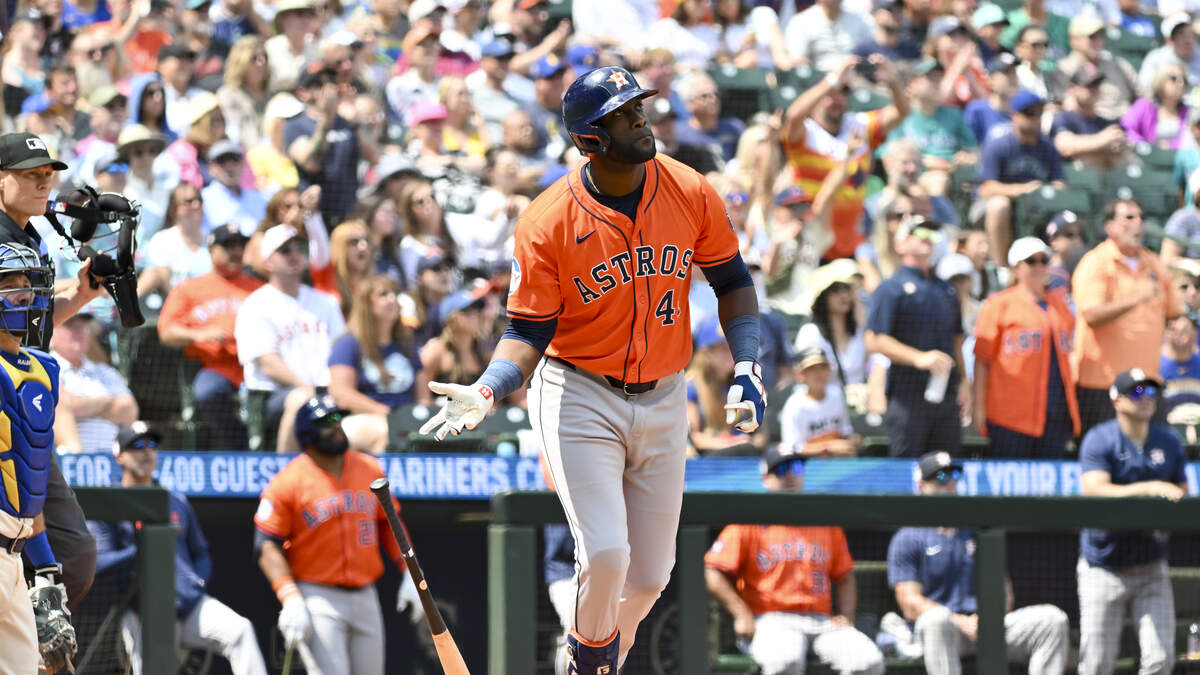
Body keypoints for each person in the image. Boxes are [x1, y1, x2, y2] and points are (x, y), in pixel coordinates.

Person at [417, 66, 764, 674]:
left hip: (664, 394)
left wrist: (749, 363)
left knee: (653, 576)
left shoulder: (688, 188)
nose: (641, 121)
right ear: (589, 141)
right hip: (578, 391)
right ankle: (589, 665)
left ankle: (588, 661)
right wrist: (490, 389)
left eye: (640, 108)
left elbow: (732, 280)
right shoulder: (547, 218)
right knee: (606, 555)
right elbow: (528, 328)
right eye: (624, 115)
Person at [0, 131, 104, 609]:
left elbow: (28, 322)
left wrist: (81, 292)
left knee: (73, 557)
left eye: (48, 175)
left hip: (25, 404)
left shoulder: (29, 235)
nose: (44, 184)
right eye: (30, 175)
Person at [253, 395, 420, 675]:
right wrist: (289, 595)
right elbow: (266, 545)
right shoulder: (288, 481)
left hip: (366, 595)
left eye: (337, 419)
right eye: (325, 422)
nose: (336, 426)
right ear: (307, 433)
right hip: (318, 596)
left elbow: (390, 524)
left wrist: (409, 572)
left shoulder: (369, 468)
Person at [90, 422, 268, 674]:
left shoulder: (175, 499)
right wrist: (140, 551)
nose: (147, 451)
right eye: (137, 445)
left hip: (191, 605)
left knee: (240, 631)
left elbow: (201, 552)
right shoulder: (109, 503)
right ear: (119, 455)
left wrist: (199, 581)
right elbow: (99, 563)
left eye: (152, 445)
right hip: (145, 612)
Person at [705, 445, 883, 675]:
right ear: (766, 478)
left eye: (796, 467)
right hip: (771, 621)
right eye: (781, 469)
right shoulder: (748, 520)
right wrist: (741, 614)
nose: (790, 474)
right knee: (785, 662)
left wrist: (847, 616)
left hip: (822, 622)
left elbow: (845, 575)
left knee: (867, 662)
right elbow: (712, 570)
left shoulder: (824, 522)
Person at [887, 451, 1070, 674]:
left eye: (954, 475)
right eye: (942, 478)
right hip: (945, 632)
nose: (950, 483)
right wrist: (959, 621)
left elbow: (1004, 591)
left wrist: (985, 619)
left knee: (1052, 620)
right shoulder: (908, 536)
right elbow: (909, 602)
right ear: (921, 485)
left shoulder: (976, 531)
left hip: (985, 625)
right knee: (936, 620)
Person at [1077, 369, 1187, 675]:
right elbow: (1093, 488)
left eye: (1150, 392)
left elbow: (1183, 493)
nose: (1146, 399)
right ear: (1116, 399)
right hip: (1104, 565)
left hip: (1151, 564)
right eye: (1136, 392)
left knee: (1161, 658)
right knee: (1097, 663)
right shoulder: (1100, 438)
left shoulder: (1168, 440)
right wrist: (1149, 488)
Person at [0, 242, 76, 673]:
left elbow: (32, 481)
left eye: (27, 285)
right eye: (8, 286)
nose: (23, 295)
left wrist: (45, 569)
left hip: (15, 554)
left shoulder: (44, 368)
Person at [781, 55, 908, 260]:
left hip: (850, 240)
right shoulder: (806, 132)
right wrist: (832, 80)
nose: (836, 100)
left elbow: (901, 112)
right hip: (811, 239)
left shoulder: (860, 125)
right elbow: (793, 116)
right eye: (830, 95)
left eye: (842, 94)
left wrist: (892, 82)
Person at [1071, 199, 1180, 435]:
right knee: (1105, 457)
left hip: (1146, 384)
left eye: (1140, 217)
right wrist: (1136, 299)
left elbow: (1174, 314)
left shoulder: (1154, 264)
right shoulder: (1095, 263)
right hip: (1104, 385)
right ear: (1109, 226)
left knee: (1155, 456)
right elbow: (1091, 315)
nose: (1138, 223)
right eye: (1129, 218)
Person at [235, 224, 345, 452]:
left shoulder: (326, 302)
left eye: (299, 248)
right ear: (268, 261)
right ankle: (287, 470)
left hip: (328, 391)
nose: (295, 255)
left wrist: (335, 389)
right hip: (273, 397)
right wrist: (313, 391)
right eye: (285, 251)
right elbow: (269, 364)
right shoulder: (256, 305)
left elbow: (341, 350)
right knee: (302, 399)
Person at [865, 217, 967, 457]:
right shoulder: (891, 288)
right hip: (907, 394)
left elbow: (957, 339)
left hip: (946, 394)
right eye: (919, 233)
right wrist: (919, 358)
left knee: (947, 466)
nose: (927, 239)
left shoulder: (947, 289)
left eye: (932, 235)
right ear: (900, 244)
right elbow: (874, 339)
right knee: (906, 470)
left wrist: (965, 383)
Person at [158, 223, 263, 450]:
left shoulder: (258, 288)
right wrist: (200, 334)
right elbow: (166, 332)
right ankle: (238, 448)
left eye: (240, 246)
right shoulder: (189, 289)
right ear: (212, 250)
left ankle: (270, 450)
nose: (236, 251)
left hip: (260, 365)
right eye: (229, 246)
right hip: (217, 366)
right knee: (207, 393)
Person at [973, 237, 1080, 459]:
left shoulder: (1061, 305)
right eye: (1031, 261)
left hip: (1055, 411)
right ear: (1016, 267)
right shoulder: (998, 304)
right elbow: (982, 360)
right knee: (1010, 488)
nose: (1039, 266)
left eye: (1044, 260)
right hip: (1010, 414)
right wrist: (979, 407)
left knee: (1050, 489)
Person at [972, 89, 1065, 268]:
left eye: (1039, 114)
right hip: (991, 207)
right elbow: (985, 188)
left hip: (1035, 204)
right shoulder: (999, 144)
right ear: (1015, 116)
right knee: (1000, 205)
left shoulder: (1048, 148)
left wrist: (1048, 191)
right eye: (1029, 114)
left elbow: (1060, 183)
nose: (1035, 119)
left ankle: (1058, 268)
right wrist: (1022, 190)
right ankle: (1002, 268)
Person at [328, 275, 422, 453]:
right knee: (386, 433)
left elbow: (423, 397)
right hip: (364, 418)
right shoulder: (349, 344)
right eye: (383, 294)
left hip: (407, 419)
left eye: (394, 293)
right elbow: (341, 393)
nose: (392, 298)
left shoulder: (407, 345)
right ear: (367, 304)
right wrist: (385, 413)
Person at [50, 313, 139, 453]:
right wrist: (110, 402)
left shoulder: (103, 371)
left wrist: (82, 405)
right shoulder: (47, 366)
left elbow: (129, 411)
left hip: (112, 458)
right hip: (71, 459)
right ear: (51, 334)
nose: (79, 332)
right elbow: (65, 406)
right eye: (70, 326)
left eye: (82, 327)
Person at [779, 346, 862, 457]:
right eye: (812, 369)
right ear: (801, 374)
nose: (819, 374)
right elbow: (792, 448)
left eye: (823, 367)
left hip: (836, 462)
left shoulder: (836, 395)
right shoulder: (794, 405)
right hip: (807, 466)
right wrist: (828, 448)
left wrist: (852, 440)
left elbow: (845, 431)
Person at [1051, 66, 1130, 169]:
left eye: (1097, 85)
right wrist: (1103, 140)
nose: (1094, 90)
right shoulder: (1064, 118)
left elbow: (1120, 149)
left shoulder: (1106, 123)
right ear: (1072, 89)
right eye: (1089, 85)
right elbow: (1064, 147)